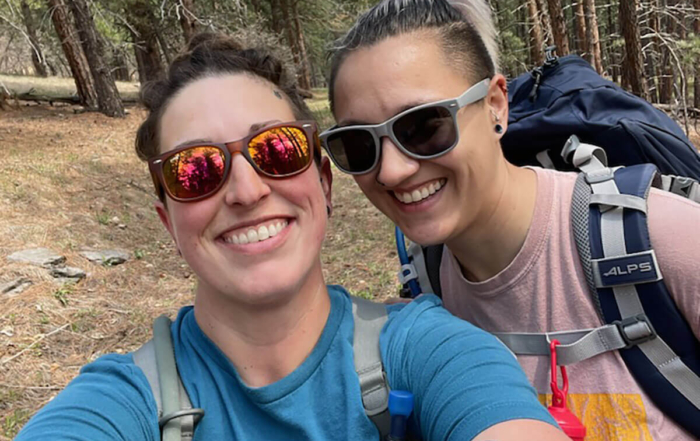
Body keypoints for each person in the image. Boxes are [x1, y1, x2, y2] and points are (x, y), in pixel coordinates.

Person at [14, 34, 567, 441]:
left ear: (323, 182)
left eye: (276, 150)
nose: (247, 190)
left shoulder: (429, 349)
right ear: (168, 222)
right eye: (195, 170)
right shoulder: (123, 402)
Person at [322, 0, 700, 440]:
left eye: (423, 126)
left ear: (496, 106)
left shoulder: (660, 236)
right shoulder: (426, 288)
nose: (390, 171)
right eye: (358, 144)